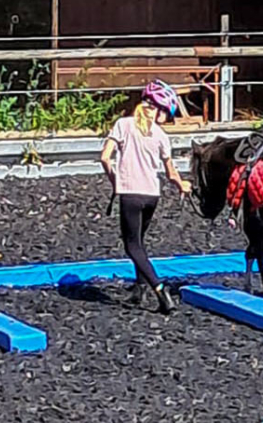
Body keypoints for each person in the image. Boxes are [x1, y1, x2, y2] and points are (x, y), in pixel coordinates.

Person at [99, 80, 193, 313]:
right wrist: (183, 185)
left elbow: (104, 158)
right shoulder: (161, 136)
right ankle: (138, 291)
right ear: (158, 108)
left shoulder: (123, 125)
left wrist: (115, 181)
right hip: (152, 195)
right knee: (140, 243)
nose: (167, 118)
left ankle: (159, 289)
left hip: (130, 194)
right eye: (166, 113)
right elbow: (171, 173)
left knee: (132, 247)